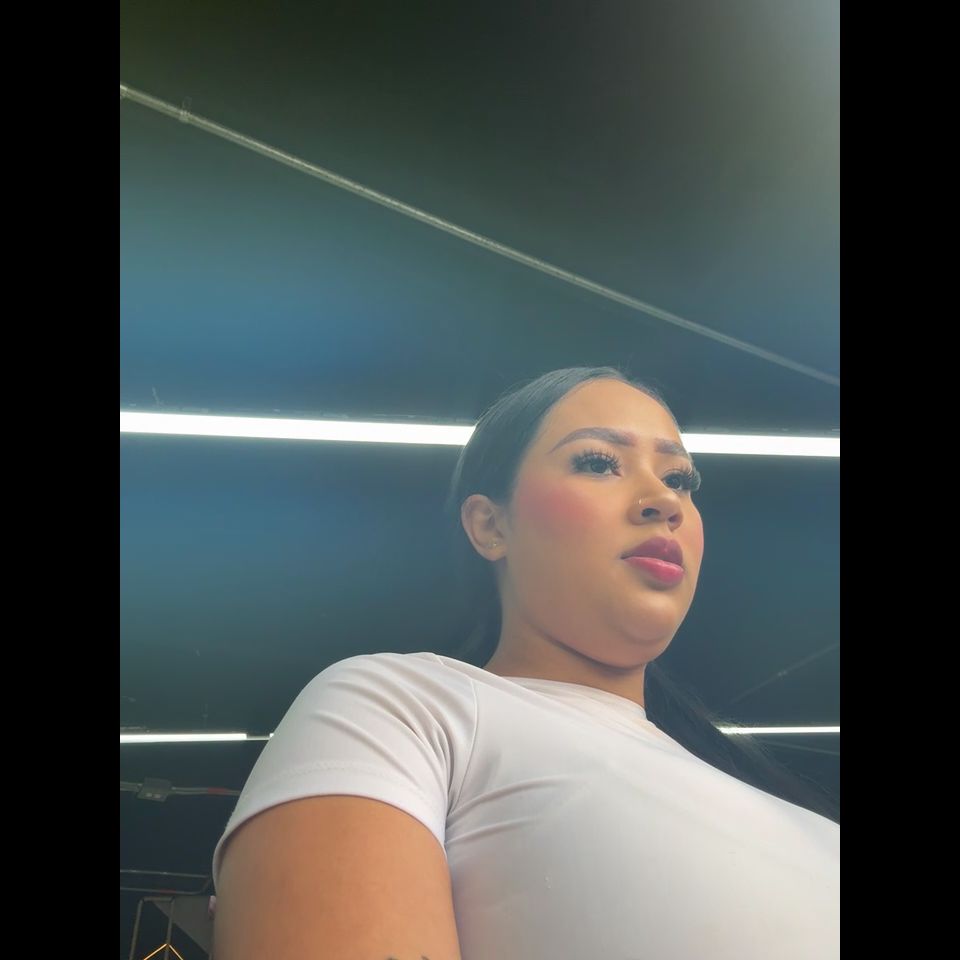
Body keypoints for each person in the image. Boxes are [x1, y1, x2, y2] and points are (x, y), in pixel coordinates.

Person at [211, 366, 839, 959]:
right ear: (490, 525)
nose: (664, 501)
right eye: (598, 463)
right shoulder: (401, 707)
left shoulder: (759, 791)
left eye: (679, 479)